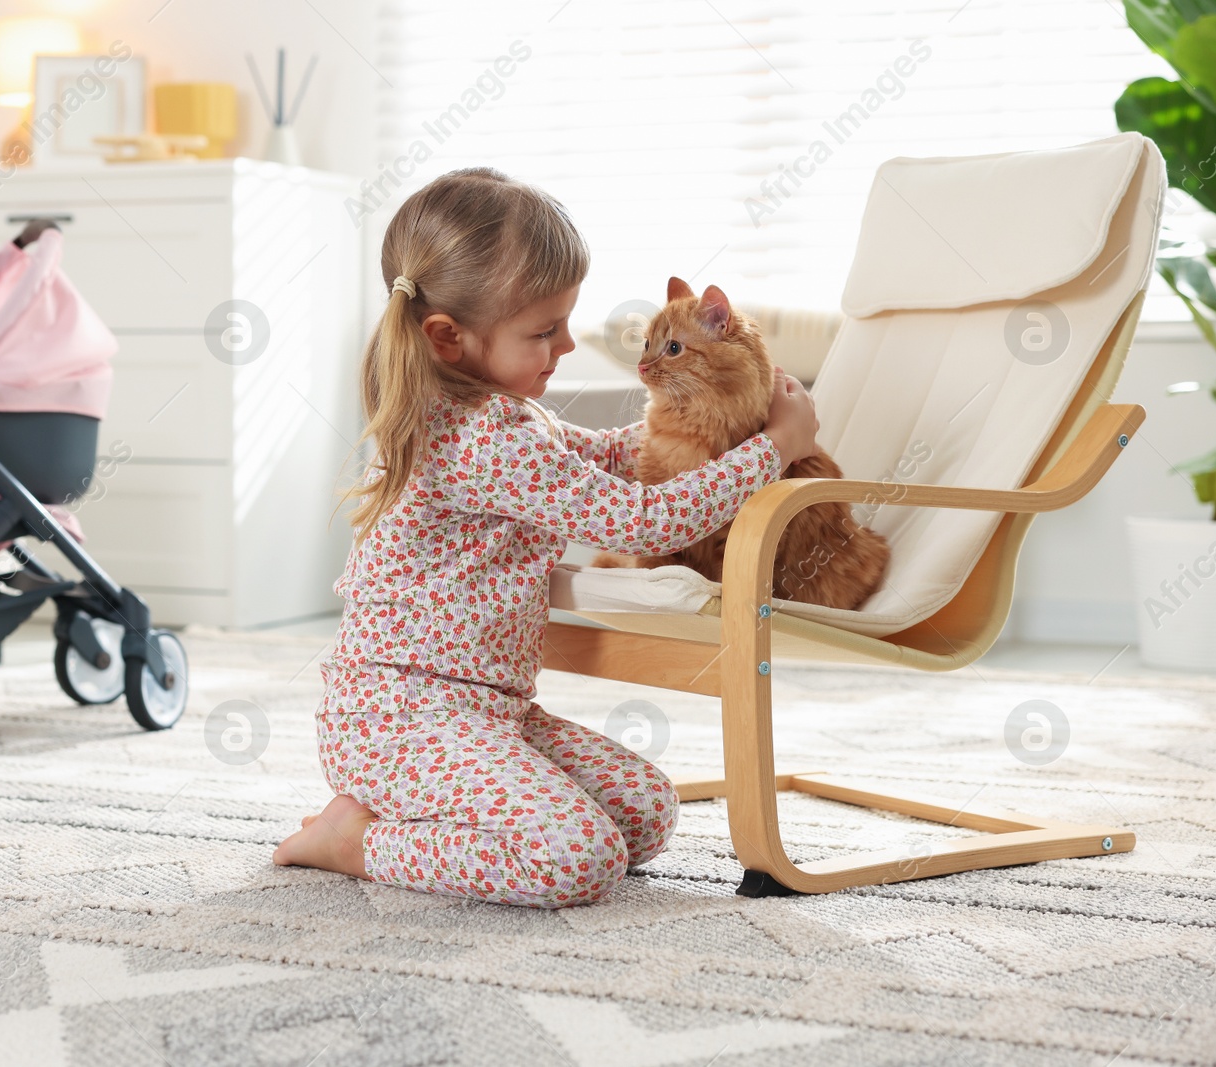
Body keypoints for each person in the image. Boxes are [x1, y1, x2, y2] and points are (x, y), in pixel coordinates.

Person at [272, 167, 820, 908]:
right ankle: (357, 841)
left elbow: (605, 456)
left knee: (647, 811)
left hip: (487, 709)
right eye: (543, 330)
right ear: (448, 337)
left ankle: (415, 811)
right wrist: (772, 450)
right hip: (399, 720)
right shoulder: (481, 441)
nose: (565, 343)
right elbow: (642, 518)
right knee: (576, 859)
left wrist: (720, 423)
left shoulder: (502, 415)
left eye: (566, 321)